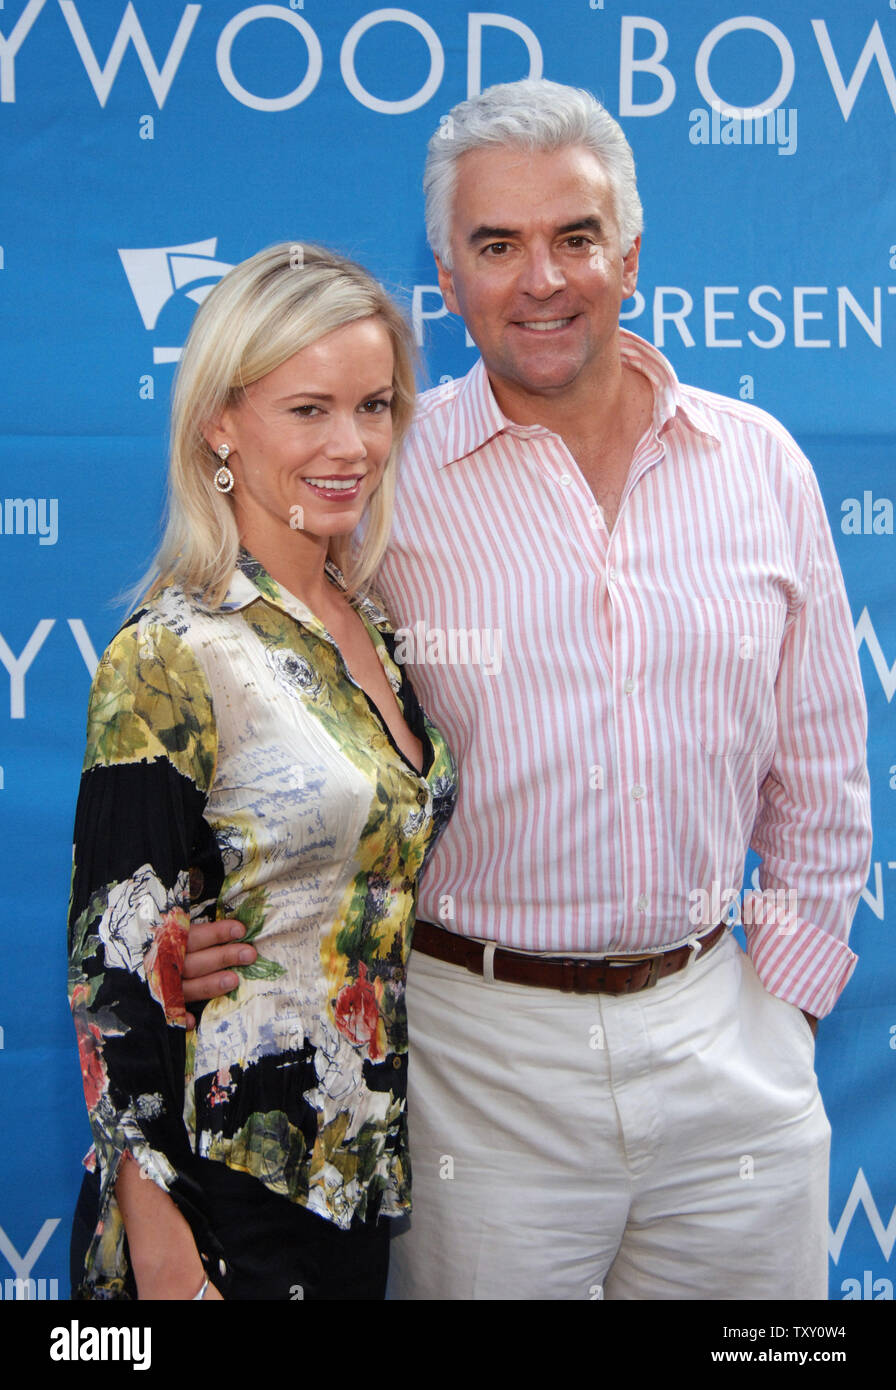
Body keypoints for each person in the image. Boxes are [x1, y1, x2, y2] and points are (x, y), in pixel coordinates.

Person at [184, 81, 872, 1300]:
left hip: (727, 1044)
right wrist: (196, 930)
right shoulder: (380, 486)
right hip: (474, 1059)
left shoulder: (759, 464)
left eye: (574, 236)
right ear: (443, 275)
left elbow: (818, 765)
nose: (540, 278)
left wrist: (785, 1011)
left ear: (631, 254)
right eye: (495, 245)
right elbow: (255, 702)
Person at [67, 242, 457, 1300]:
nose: (350, 444)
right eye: (308, 410)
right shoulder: (170, 653)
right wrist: (164, 1256)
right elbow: (113, 982)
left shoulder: (367, 622)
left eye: (373, 406)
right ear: (219, 425)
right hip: (220, 1194)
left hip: (351, 1179)